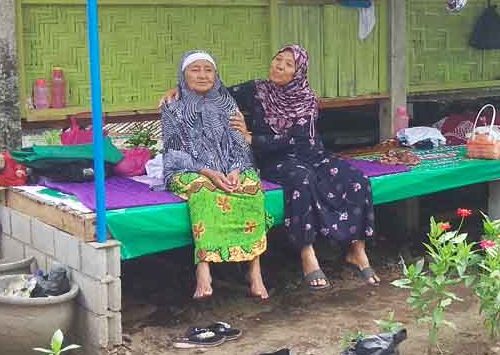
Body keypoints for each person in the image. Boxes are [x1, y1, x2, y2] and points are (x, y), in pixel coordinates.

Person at [161, 45, 379, 289]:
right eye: (278, 60)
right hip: (274, 157)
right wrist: (178, 88)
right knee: (302, 179)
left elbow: (296, 138)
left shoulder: (306, 99)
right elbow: (215, 89)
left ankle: (357, 249)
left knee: (357, 179)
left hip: (310, 154)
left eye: (288, 64)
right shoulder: (256, 89)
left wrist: (251, 139)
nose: (279, 66)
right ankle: (307, 253)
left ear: (298, 72)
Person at [161, 51, 272, 301]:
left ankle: (254, 272)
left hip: (229, 166)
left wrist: (234, 169)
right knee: (203, 190)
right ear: (184, 74)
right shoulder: (172, 106)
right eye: (195, 69)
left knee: (251, 186)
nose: (202, 75)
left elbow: (239, 142)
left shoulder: (227, 103)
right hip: (189, 169)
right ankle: (204, 269)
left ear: (216, 74)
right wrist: (207, 171)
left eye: (208, 70)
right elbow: (172, 149)